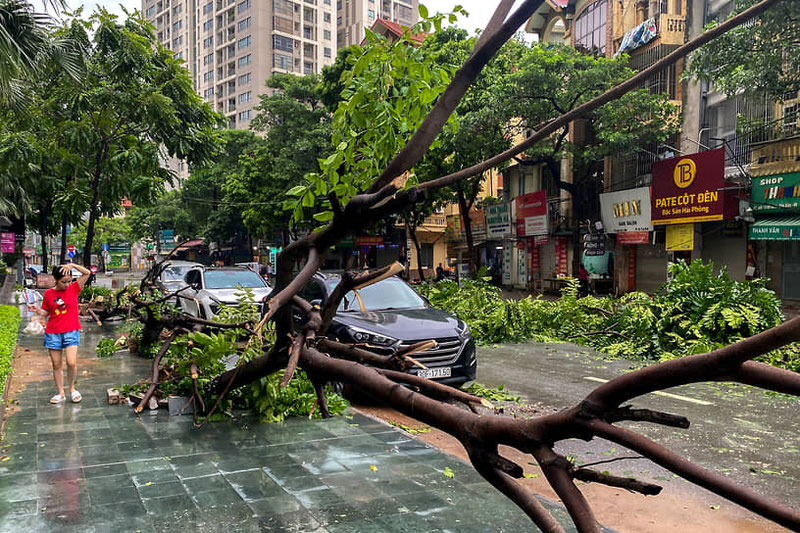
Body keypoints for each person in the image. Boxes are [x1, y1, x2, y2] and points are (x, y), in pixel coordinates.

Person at [29, 263, 91, 404]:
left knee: (71, 362)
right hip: (53, 332)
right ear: (55, 280)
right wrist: (37, 310)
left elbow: (87, 273)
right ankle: (60, 392)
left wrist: (72, 265)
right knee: (56, 364)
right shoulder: (49, 294)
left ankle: (72, 389)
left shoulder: (74, 288)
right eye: (64, 282)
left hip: (71, 330)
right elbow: (46, 311)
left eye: (69, 281)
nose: (67, 284)